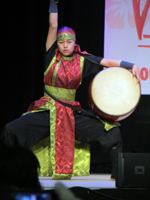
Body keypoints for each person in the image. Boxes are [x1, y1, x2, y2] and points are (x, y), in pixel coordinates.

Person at [0, 0, 140, 181]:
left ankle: (119, 176)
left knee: (111, 131)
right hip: (47, 111)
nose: (65, 45)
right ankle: (6, 175)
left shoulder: (83, 59)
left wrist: (131, 65)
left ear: (75, 43)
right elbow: (53, 25)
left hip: (70, 113)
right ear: (56, 44)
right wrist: (53, 3)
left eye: (69, 42)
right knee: (10, 130)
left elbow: (105, 62)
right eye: (61, 42)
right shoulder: (51, 56)